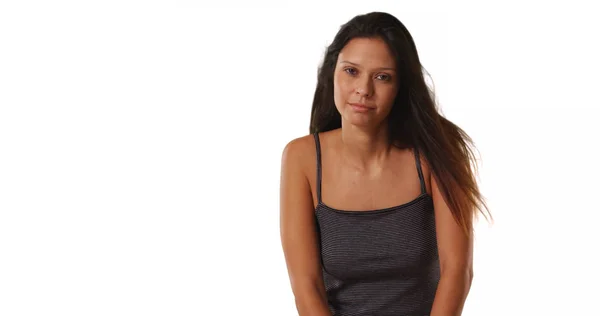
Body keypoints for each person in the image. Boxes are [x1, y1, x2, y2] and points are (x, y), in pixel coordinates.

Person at [279, 11, 492, 316]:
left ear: (401, 85)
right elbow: (306, 286)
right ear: (332, 73)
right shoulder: (301, 158)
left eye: (382, 76)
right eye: (351, 71)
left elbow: (457, 272)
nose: (363, 89)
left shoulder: (438, 151)